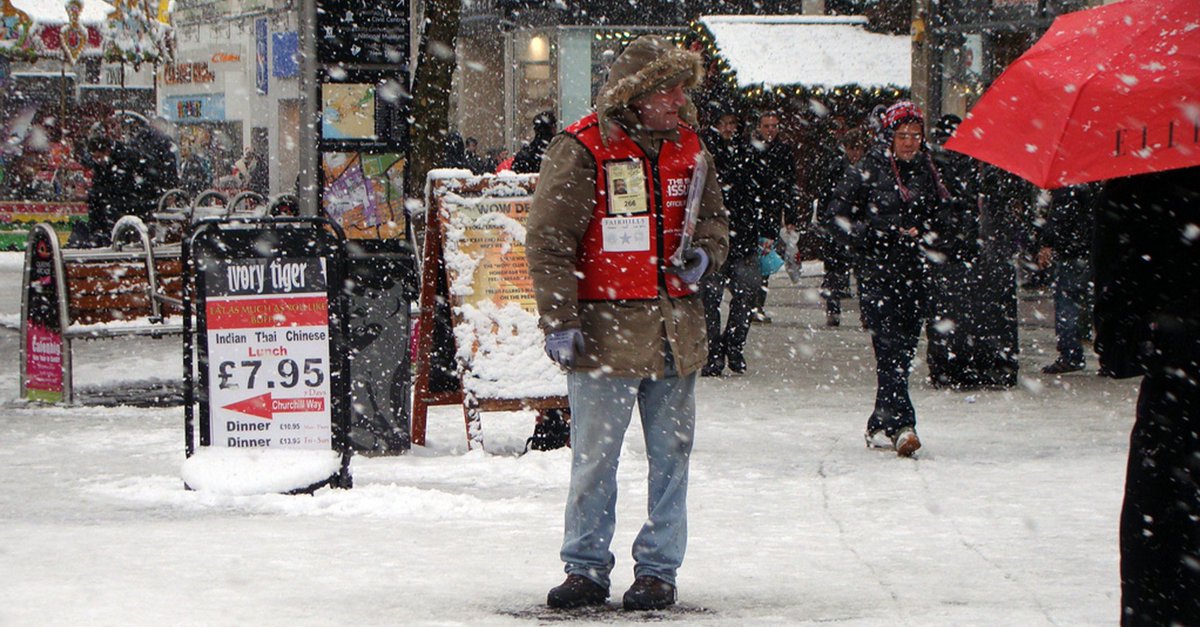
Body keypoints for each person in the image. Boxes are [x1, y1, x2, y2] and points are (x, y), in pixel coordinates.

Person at [525, 35, 728, 611]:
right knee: (596, 457)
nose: (678, 98)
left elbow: (714, 223)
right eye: (669, 87)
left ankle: (659, 569)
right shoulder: (582, 148)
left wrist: (706, 254)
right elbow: (549, 241)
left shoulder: (692, 148)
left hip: (673, 334)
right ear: (637, 94)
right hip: (604, 335)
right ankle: (586, 566)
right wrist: (558, 319)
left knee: (672, 457)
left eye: (681, 86)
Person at [1092, 166, 1200, 626]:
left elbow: (1117, 349)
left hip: (1174, 411)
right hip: (1174, 412)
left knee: (1163, 569)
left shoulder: (1136, 183)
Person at [829, 101, 956, 457]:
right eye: (903, 135)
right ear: (890, 135)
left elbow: (951, 220)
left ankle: (879, 420)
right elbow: (836, 218)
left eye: (916, 135)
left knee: (900, 353)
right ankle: (904, 425)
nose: (910, 142)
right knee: (888, 350)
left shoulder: (932, 171)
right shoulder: (868, 168)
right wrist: (876, 234)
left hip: (917, 274)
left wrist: (927, 234)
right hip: (878, 275)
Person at [700, 110, 758, 376]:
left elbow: (762, 192)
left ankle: (732, 346)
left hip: (741, 235)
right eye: (723, 123)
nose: (727, 128)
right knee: (710, 298)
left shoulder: (747, 153)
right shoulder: (707, 153)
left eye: (731, 123)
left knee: (745, 296)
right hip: (715, 236)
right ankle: (714, 351)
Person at [745, 110, 800, 324]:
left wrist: (790, 216)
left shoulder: (783, 151)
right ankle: (749, 303)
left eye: (774, 126)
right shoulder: (750, 149)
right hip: (751, 212)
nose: (771, 130)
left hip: (771, 213)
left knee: (765, 260)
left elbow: (789, 185)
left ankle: (758, 304)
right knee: (750, 260)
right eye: (767, 126)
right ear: (759, 127)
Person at [1037, 183, 1097, 374]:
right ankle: (1105, 355)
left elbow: (1061, 214)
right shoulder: (1093, 180)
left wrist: (1048, 242)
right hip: (1090, 246)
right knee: (1088, 298)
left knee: (1067, 301)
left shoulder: (1067, 185)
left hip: (1072, 249)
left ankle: (1071, 354)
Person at [814, 125, 868, 327]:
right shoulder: (836, 168)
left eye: (858, 148)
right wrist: (825, 221)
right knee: (834, 270)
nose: (855, 153)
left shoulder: (867, 169)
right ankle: (833, 309)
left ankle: (866, 313)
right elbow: (825, 194)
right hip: (838, 224)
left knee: (861, 271)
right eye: (852, 148)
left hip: (858, 223)